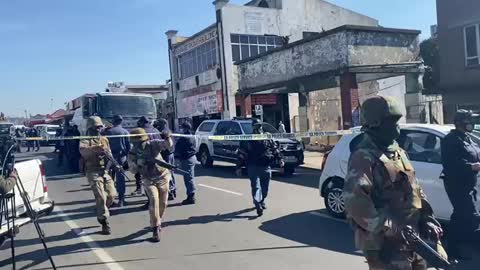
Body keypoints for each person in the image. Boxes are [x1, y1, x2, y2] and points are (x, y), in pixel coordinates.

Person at [343, 96, 445, 270]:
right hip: (387, 246)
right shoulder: (363, 156)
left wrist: (427, 217)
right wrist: (390, 227)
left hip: (413, 238)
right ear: (375, 123)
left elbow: (415, 188)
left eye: (397, 120)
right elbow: (355, 202)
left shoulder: (398, 151)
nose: (397, 125)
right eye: (391, 121)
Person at [441, 109, 480, 259]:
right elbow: (450, 164)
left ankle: (451, 251)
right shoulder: (450, 140)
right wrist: (472, 166)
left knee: (459, 217)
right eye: (470, 121)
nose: (472, 124)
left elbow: (475, 152)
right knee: (473, 217)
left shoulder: (467, 138)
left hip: (469, 184)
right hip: (457, 185)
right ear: (461, 123)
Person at [128, 128, 173, 242]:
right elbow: (132, 169)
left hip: (162, 176)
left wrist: (167, 136)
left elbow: (167, 145)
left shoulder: (154, 144)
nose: (139, 144)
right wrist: (137, 164)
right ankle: (155, 228)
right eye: (136, 143)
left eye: (141, 141)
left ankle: (158, 220)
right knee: (153, 200)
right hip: (148, 179)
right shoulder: (132, 152)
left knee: (164, 203)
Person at [236, 119, 284, 216]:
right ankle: (258, 204)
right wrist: (239, 167)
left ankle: (261, 201)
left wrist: (280, 159)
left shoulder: (267, 136)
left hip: (266, 166)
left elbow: (274, 148)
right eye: (257, 126)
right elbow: (241, 154)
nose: (259, 128)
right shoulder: (248, 138)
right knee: (256, 187)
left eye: (260, 126)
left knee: (264, 189)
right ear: (253, 127)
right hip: (253, 167)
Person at [79, 116, 117, 235]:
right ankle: (104, 221)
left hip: (104, 170)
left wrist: (113, 163)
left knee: (111, 195)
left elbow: (109, 154)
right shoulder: (85, 139)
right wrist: (95, 148)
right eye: (96, 127)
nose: (98, 129)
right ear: (90, 128)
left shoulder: (104, 139)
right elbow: (83, 151)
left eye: (100, 127)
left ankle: (101, 209)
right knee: (101, 197)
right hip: (92, 171)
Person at [102, 115, 130, 207]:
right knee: (120, 179)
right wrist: (125, 155)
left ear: (113, 121)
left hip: (109, 158)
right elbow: (128, 147)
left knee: (108, 178)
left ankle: (109, 200)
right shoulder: (125, 132)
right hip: (121, 157)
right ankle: (121, 200)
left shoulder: (108, 131)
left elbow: (101, 140)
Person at [131, 116, 161, 196]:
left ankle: (143, 193)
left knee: (145, 177)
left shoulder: (142, 131)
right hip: (157, 156)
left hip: (144, 157)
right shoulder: (156, 130)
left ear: (141, 122)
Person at [175, 122, 197, 205]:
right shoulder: (192, 136)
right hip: (192, 157)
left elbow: (178, 148)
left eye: (182, 128)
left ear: (186, 128)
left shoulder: (184, 138)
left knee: (188, 178)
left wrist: (177, 157)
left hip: (187, 159)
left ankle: (191, 196)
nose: (181, 129)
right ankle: (190, 195)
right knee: (189, 177)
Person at [156, 118, 177, 201]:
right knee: (171, 172)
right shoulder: (169, 130)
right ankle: (173, 190)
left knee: (167, 173)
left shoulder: (163, 131)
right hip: (171, 154)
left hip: (166, 154)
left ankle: (171, 191)